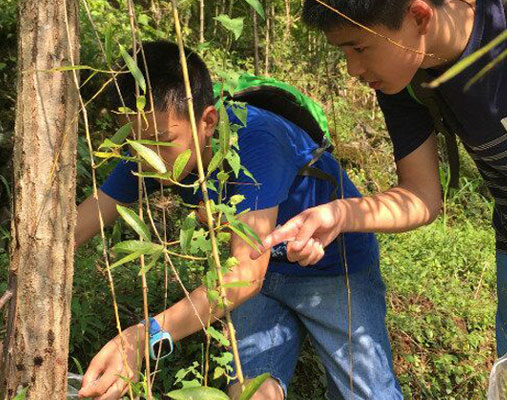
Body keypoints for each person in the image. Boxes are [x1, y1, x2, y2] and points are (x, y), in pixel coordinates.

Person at [254, 0, 507, 398]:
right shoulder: (407, 77)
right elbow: (421, 196)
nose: (352, 69)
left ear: (419, 16)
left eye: (359, 48)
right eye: (343, 52)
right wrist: (340, 213)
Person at [75, 40, 403, 400]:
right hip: (255, 270)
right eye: (135, 144)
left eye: (162, 141)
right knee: (251, 393)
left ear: (208, 121)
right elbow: (89, 216)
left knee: (369, 394)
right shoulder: (149, 149)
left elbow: (243, 279)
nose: (148, 159)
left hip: (332, 269)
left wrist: (143, 337)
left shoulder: (256, 141)